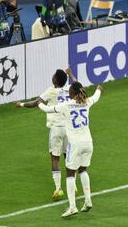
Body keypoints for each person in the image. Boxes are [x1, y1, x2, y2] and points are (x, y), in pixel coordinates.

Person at [38, 82, 103, 218]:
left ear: (72, 93)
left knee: (70, 174)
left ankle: (73, 207)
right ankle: (88, 200)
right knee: (83, 170)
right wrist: (99, 88)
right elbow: (96, 96)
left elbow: (47, 109)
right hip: (89, 143)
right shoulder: (87, 102)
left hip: (75, 144)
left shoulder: (65, 106)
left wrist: (39, 103)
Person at [15, 68, 77, 200]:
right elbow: (78, 85)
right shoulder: (70, 89)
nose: (52, 76)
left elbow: (35, 103)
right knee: (68, 156)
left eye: (54, 75)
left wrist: (20, 104)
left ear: (56, 80)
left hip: (56, 128)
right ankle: (73, 185)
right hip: (69, 128)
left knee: (55, 158)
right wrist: (70, 74)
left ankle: (58, 188)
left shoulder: (51, 91)